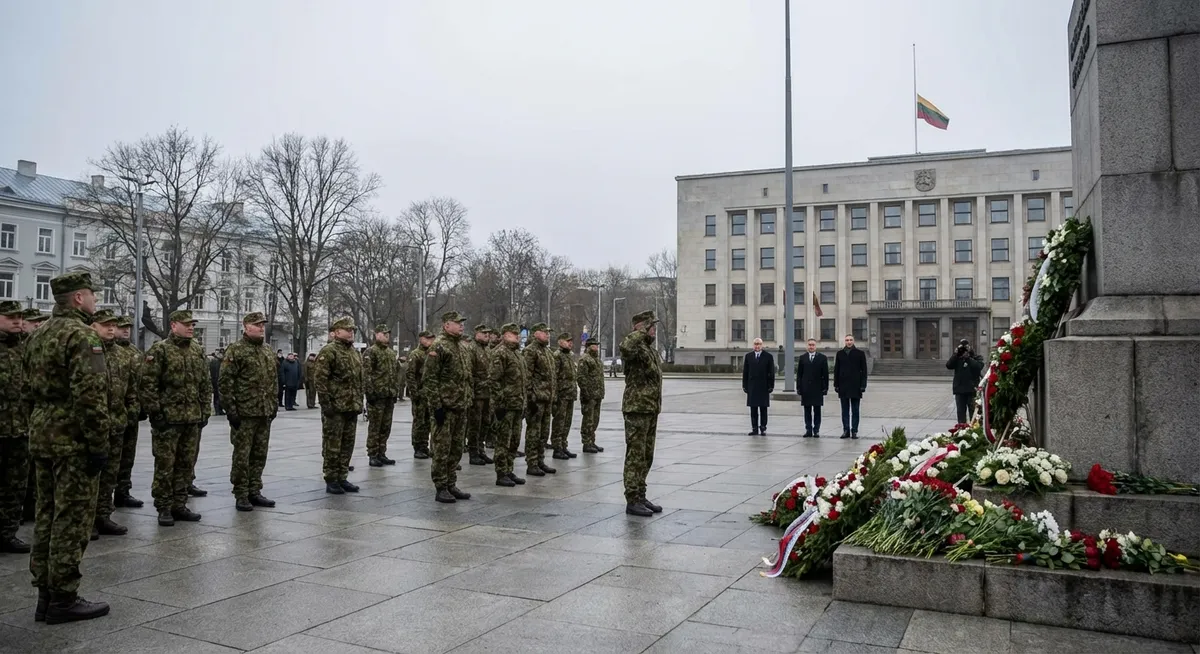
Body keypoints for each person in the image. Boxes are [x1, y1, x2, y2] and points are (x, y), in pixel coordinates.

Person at [24, 271, 111, 623]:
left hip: (43, 435)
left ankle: (45, 594)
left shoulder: (39, 333)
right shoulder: (81, 335)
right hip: (73, 440)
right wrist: (98, 443)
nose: (95, 299)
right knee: (72, 518)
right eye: (91, 294)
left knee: (46, 514)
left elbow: (28, 389)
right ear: (78, 297)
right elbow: (90, 396)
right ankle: (63, 597)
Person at [140, 310, 211, 526]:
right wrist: (156, 413)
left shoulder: (197, 350)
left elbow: (205, 383)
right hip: (168, 420)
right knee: (165, 465)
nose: (191, 328)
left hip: (192, 418)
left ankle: (179, 504)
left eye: (192, 324)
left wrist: (205, 411)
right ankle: (164, 506)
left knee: (185, 464)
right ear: (173, 325)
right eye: (186, 324)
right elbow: (148, 383)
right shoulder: (160, 350)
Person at [219, 312, 278, 512]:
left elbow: (273, 380)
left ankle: (255, 489)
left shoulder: (267, 350)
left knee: (260, 454)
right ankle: (241, 493)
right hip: (244, 413)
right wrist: (231, 410)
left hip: (263, 411)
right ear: (246, 327)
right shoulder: (236, 350)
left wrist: (273, 404)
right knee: (242, 456)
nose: (261, 328)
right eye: (257, 324)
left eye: (262, 324)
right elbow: (225, 382)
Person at [91, 310, 137, 538]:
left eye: (113, 325)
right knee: (91, 475)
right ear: (93, 326)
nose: (111, 328)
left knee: (110, 473)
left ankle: (103, 515)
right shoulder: (88, 351)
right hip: (94, 424)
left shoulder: (122, 354)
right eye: (105, 324)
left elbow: (130, 388)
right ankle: (88, 519)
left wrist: (131, 411)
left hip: (117, 423)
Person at [423, 311, 474, 503]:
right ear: (446, 325)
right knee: (442, 450)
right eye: (457, 323)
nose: (461, 325)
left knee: (456, 449)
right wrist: (437, 406)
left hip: (460, 406)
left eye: (462, 323)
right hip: (445, 407)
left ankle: (451, 483)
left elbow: (466, 378)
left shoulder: (461, 347)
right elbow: (429, 378)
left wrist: (468, 399)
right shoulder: (439, 346)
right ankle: (441, 486)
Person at [312, 317, 364, 495]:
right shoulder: (329, 351)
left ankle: (342, 476)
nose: (351, 332)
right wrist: (326, 404)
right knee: (332, 445)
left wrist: (359, 401)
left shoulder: (354, 352)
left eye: (352, 330)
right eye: (347, 329)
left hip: (351, 406)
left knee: (347, 444)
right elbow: (320, 380)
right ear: (336, 332)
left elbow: (359, 380)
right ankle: (331, 478)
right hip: (335, 408)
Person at [620, 310, 663, 517]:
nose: (653, 330)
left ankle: (641, 494)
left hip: (650, 408)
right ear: (640, 327)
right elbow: (626, 346)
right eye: (650, 326)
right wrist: (640, 331)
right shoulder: (634, 347)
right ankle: (632, 499)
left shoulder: (649, 350)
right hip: (636, 409)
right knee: (635, 455)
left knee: (646, 455)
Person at [0, 301, 29, 554]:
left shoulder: (26, 348)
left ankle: (7, 533)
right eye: (11, 317)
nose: (18, 321)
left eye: (19, 317)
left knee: (15, 485)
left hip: (20, 430)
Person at [112, 316, 146, 509]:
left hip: (132, 411)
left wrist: (142, 407)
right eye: (121, 327)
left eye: (128, 327)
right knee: (110, 457)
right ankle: (103, 497)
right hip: (114, 412)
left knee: (128, 455)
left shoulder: (135, 352)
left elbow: (142, 382)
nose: (126, 330)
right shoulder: (106, 350)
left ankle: (123, 492)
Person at [488, 323, 527, 487]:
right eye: (512, 333)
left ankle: (509, 469)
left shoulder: (516, 353)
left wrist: (524, 401)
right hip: (506, 405)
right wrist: (499, 403)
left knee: (514, 440)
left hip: (517, 403)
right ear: (504, 335)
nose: (517, 336)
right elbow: (493, 380)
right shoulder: (500, 353)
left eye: (517, 333)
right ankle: (501, 472)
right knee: (503, 440)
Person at [363, 325, 401, 467]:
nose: (386, 336)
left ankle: (381, 452)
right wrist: (370, 393)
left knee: (386, 426)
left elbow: (395, 373)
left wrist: (395, 391)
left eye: (388, 334)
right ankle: (373, 454)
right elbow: (366, 374)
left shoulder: (390, 353)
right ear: (376, 334)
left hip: (388, 395)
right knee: (375, 427)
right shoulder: (371, 352)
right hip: (376, 396)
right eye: (383, 333)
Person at [522, 323, 557, 477]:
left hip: (547, 397)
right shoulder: (530, 351)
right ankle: (532, 462)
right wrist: (530, 398)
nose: (547, 335)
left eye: (548, 332)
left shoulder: (547, 351)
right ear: (535, 333)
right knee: (534, 432)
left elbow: (552, 376)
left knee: (544, 432)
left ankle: (540, 460)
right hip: (536, 399)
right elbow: (527, 376)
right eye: (544, 332)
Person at [466, 324, 494, 467]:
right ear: (476, 334)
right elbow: (469, 373)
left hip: (487, 393)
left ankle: (481, 450)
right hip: (477, 394)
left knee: (485, 422)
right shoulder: (471, 349)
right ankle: (473, 452)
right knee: (474, 425)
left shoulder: (487, 349)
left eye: (488, 334)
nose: (487, 336)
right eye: (484, 333)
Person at [833, 334, 868, 440]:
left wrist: (863, 385)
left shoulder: (860, 353)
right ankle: (846, 430)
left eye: (850, 340)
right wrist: (836, 384)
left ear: (853, 341)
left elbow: (864, 371)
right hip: (843, 386)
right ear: (845, 341)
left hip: (856, 386)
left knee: (855, 410)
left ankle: (854, 431)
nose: (849, 342)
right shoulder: (840, 354)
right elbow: (836, 370)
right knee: (845, 410)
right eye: (847, 340)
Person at [550, 332, 578, 460]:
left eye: (571, 341)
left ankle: (563, 445)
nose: (570, 343)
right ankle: (557, 448)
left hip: (569, 394)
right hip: (561, 395)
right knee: (559, 423)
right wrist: (554, 396)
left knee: (567, 422)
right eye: (567, 341)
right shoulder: (557, 356)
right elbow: (554, 377)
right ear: (560, 342)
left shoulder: (569, 356)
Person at [407, 331, 435, 459]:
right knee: (419, 421)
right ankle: (418, 447)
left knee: (428, 422)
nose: (430, 341)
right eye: (427, 338)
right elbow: (410, 375)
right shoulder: (416, 354)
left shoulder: (432, 354)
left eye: (432, 339)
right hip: (420, 393)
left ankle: (424, 446)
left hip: (430, 394)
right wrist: (415, 393)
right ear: (421, 339)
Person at [795, 338, 830, 438]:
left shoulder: (822, 358)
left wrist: (825, 388)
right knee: (807, 410)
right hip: (806, 388)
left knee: (817, 410)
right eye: (809, 345)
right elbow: (799, 374)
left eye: (813, 345)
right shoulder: (803, 358)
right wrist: (799, 387)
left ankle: (816, 430)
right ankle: (808, 429)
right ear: (807, 346)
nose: (811, 347)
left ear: (816, 346)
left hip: (817, 388)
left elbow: (825, 374)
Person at [576, 337, 606, 453]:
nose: (596, 347)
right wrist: (586, 392)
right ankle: (586, 442)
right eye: (594, 345)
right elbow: (581, 377)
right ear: (588, 346)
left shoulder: (597, 359)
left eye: (597, 345)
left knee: (595, 420)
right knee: (588, 420)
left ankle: (592, 441)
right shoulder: (585, 359)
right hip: (589, 395)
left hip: (597, 394)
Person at [742, 338, 775, 435]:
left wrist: (771, 385)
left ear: (762, 345)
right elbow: (745, 372)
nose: (757, 346)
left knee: (763, 408)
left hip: (763, 386)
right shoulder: (749, 356)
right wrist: (744, 385)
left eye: (759, 344)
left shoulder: (768, 356)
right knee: (753, 409)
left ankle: (763, 427)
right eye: (756, 344)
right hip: (752, 386)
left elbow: (771, 372)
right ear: (753, 345)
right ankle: (754, 428)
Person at [947, 339, 985, 424]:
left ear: (971, 347)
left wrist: (968, 358)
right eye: (963, 347)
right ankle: (961, 429)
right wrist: (955, 354)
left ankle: (974, 429)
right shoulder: (957, 357)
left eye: (967, 347)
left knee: (974, 414)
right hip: (959, 390)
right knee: (961, 414)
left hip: (972, 390)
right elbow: (949, 365)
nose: (965, 349)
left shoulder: (976, 357)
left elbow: (978, 367)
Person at [209, 349, 224, 416]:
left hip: (215, 379)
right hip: (217, 380)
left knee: (217, 395)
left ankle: (218, 410)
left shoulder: (214, 361)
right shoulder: (218, 362)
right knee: (218, 395)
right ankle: (218, 410)